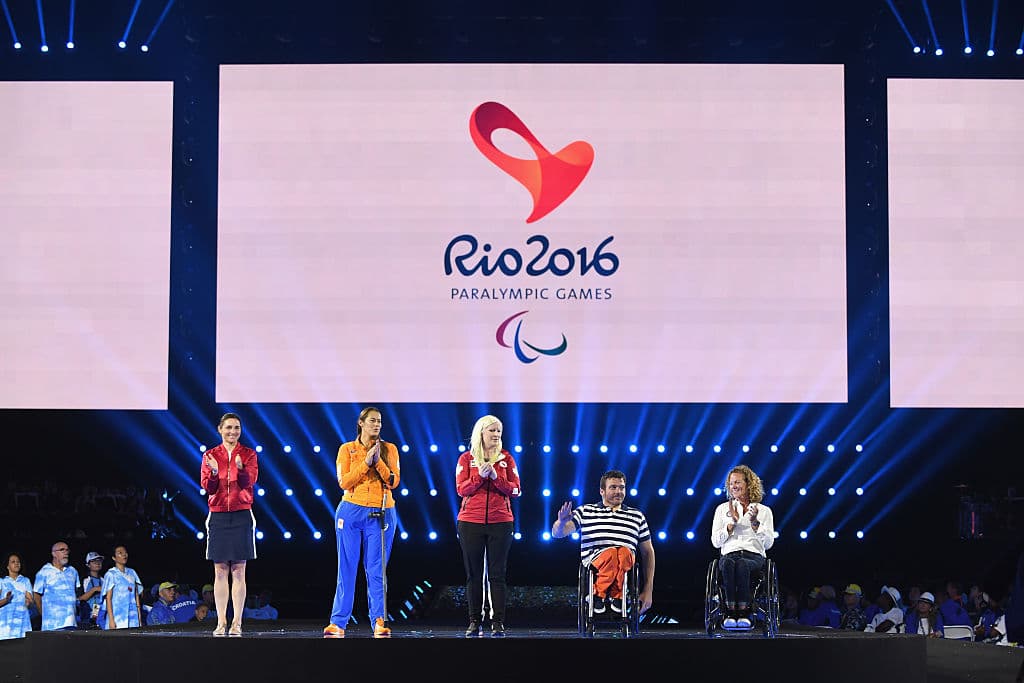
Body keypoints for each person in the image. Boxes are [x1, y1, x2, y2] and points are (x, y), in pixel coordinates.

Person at [323, 406, 401, 639]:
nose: (377, 425)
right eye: (372, 421)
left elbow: (393, 480)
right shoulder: (346, 449)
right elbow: (344, 482)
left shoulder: (390, 449)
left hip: (382, 511)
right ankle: (338, 623)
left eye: (379, 421)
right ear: (361, 423)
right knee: (346, 567)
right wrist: (366, 462)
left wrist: (377, 461)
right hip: (351, 511)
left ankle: (379, 621)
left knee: (376, 569)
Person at [551, 469, 655, 618]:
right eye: (613, 487)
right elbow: (558, 534)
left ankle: (607, 595)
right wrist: (561, 522)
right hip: (595, 562)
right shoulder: (586, 511)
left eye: (622, 487)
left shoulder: (637, 516)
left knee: (623, 552)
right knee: (613, 552)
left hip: (626, 562)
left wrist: (648, 589)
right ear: (602, 491)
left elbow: (648, 552)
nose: (618, 491)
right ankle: (607, 595)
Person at [455, 414, 522, 637]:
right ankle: (474, 621)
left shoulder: (506, 459)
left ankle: (498, 622)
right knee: (474, 574)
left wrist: (495, 477)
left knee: (497, 573)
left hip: (501, 522)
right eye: (492, 430)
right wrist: (478, 478)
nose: (496, 435)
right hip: (470, 522)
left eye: (499, 431)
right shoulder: (466, 459)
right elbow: (461, 489)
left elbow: (515, 490)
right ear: (481, 433)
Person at [200, 412, 259, 637]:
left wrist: (240, 467)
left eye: (236, 428)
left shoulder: (249, 454)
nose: (232, 432)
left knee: (239, 570)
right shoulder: (210, 455)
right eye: (228, 428)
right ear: (220, 429)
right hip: (218, 516)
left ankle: (237, 622)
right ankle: (221, 621)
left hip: (242, 514)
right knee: (220, 570)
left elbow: (248, 483)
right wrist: (215, 471)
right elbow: (209, 487)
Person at [710, 465, 775, 629]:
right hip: (729, 555)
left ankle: (745, 612)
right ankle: (730, 613)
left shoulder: (764, 511)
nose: (733, 487)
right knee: (729, 563)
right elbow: (715, 542)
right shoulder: (722, 509)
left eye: (737, 482)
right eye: (731, 483)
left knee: (742, 564)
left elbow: (768, 544)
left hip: (753, 556)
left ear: (748, 484)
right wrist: (731, 524)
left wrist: (755, 523)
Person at [33, 541, 80, 631]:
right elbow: (36, 595)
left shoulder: (73, 571)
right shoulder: (44, 572)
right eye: (62, 550)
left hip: (72, 623)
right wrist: (44, 615)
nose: (66, 552)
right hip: (52, 625)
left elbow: (75, 592)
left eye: (67, 550)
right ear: (54, 553)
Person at [101, 545, 143, 629]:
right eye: (120, 553)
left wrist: (139, 618)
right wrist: (111, 620)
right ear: (114, 558)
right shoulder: (111, 574)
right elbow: (108, 598)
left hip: (133, 617)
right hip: (118, 616)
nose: (124, 555)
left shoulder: (132, 572)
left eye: (125, 552)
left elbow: (136, 596)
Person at [0, 552, 33, 639]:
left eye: (18, 561)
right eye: (13, 562)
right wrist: (6, 600)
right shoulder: (2, 581)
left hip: (22, 624)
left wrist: (28, 602)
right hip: (5, 625)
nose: (17, 563)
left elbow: (31, 601)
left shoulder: (25, 581)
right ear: (7, 566)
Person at [78, 551, 104, 628]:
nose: (97, 563)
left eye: (99, 560)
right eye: (93, 561)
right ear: (88, 565)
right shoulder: (83, 580)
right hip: (87, 618)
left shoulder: (104, 580)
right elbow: (79, 599)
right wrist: (94, 589)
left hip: (102, 617)